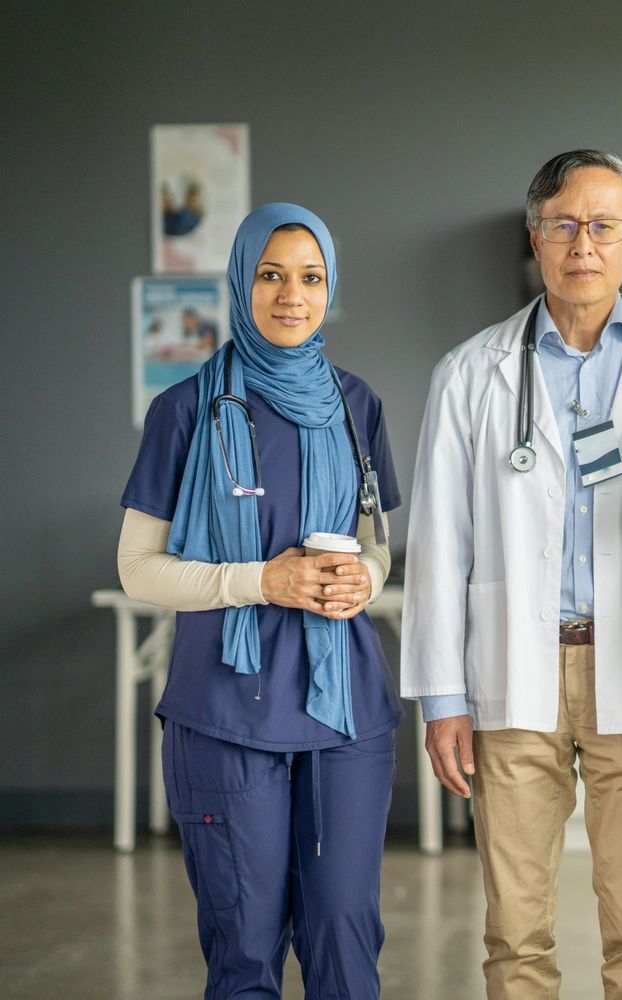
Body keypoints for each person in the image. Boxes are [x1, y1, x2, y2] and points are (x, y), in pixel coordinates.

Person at [401, 149, 622, 1000]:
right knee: (515, 933)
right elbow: (437, 543)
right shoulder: (469, 373)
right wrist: (442, 698)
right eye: (564, 225)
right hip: (512, 672)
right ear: (535, 239)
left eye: (602, 226)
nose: (584, 244)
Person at [117, 202, 402, 997]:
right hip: (225, 714)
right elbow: (139, 568)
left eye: (310, 278)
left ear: (329, 288)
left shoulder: (357, 405)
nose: (291, 295)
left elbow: (376, 542)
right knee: (243, 949)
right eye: (271, 275)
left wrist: (369, 579)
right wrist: (259, 580)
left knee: (346, 942)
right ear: (241, 283)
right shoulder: (182, 411)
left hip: (344, 710)